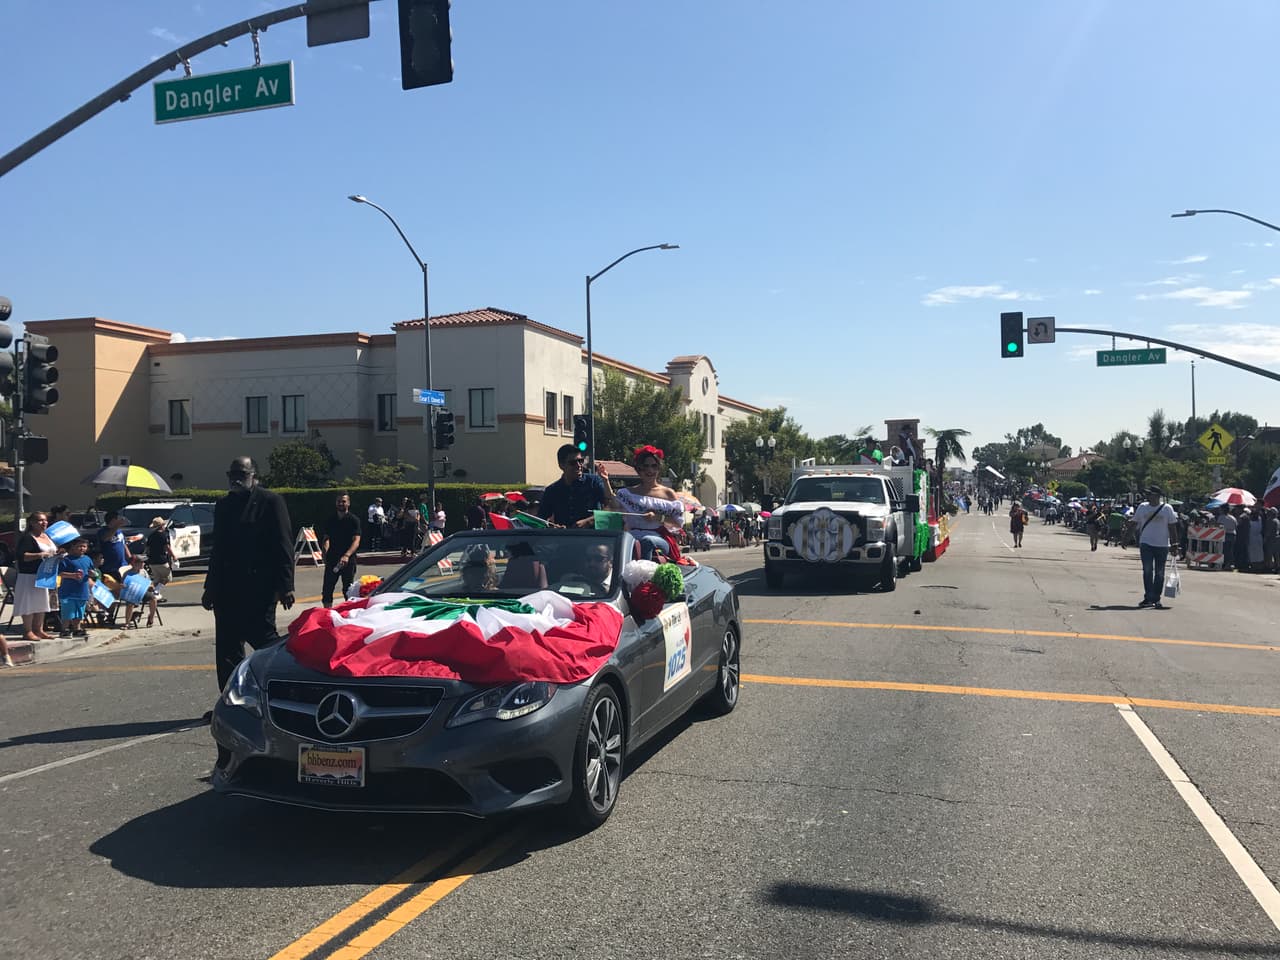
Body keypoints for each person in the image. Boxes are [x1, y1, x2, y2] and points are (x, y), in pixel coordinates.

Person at [202, 456, 295, 699]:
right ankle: (230, 702)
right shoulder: (224, 504)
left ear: (254, 476)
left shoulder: (271, 501)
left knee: (266, 644)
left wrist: (286, 586)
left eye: (242, 474)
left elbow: (284, 545)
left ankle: (280, 693)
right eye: (232, 474)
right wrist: (209, 589)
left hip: (259, 589)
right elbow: (218, 550)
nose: (236, 479)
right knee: (227, 651)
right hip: (226, 591)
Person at [613, 446, 685, 559]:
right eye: (645, 466)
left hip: (658, 538)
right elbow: (612, 509)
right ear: (639, 469)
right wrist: (605, 481)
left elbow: (677, 524)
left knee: (647, 542)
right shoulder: (627, 493)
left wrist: (658, 518)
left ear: (658, 469)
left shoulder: (668, 494)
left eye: (654, 466)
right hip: (631, 537)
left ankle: (645, 574)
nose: (650, 470)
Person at [538, 444, 615, 528]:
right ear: (561, 465)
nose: (578, 465)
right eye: (573, 463)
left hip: (593, 538)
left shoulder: (593, 482)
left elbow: (611, 507)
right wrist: (552, 526)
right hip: (564, 539)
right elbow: (540, 519)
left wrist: (589, 521)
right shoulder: (552, 490)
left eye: (581, 461)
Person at [1134, 484, 1179, 608]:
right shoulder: (1142, 507)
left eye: (1150, 494)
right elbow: (1134, 523)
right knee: (1147, 571)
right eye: (1147, 494)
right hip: (1146, 543)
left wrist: (1175, 544)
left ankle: (1156, 597)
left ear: (1157, 496)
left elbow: (1172, 527)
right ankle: (1148, 597)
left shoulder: (1167, 508)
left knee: (1159, 573)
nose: (1148, 496)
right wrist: (1125, 538)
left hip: (1162, 545)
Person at [15, 512, 59, 641]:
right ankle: (27, 631)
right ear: (32, 523)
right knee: (29, 604)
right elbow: (22, 556)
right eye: (40, 520)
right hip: (29, 575)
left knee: (41, 603)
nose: (44, 523)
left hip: (45, 575)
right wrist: (40, 555)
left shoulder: (47, 536)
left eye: (45, 520)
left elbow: (52, 552)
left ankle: (39, 630)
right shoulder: (28, 538)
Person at [321, 493, 362, 608]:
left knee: (348, 590)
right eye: (339, 501)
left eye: (343, 501)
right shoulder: (330, 519)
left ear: (348, 503)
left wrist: (347, 555)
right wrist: (325, 553)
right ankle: (327, 614)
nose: (341, 503)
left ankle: (349, 613)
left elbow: (356, 540)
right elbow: (326, 538)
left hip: (348, 560)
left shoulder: (354, 520)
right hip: (332, 558)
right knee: (327, 590)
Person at [57, 537, 94, 638]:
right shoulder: (66, 559)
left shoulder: (87, 559)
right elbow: (60, 573)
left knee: (80, 611)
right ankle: (64, 629)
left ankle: (77, 628)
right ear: (73, 547)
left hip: (82, 590)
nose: (82, 548)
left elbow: (92, 571)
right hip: (68, 591)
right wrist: (72, 575)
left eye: (84, 546)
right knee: (68, 611)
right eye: (79, 546)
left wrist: (92, 574)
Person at [121, 553, 160, 628]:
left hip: (143, 592)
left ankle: (151, 617)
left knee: (153, 599)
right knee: (130, 603)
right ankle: (127, 623)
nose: (143, 564)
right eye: (141, 562)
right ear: (135, 563)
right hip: (132, 593)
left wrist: (151, 586)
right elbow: (123, 585)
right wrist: (124, 586)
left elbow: (149, 582)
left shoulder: (143, 572)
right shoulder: (128, 574)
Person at [144, 516, 176, 602]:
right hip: (161, 560)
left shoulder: (151, 536)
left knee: (157, 578)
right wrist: (174, 556)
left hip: (152, 561)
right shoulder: (162, 535)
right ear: (161, 526)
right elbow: (167, 547)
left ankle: (149, 593)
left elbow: (147, 549)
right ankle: (156, 592)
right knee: (167, 577)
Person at [96, 510, 130, 579]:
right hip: (110, 567)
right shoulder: (103, 531)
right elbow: (106, 538)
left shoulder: (119, 531)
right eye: (118, 519)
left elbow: (123, 543)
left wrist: (129, 557)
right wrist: (116, 526)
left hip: (123, 565)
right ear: (113, 520)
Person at [1216, 506, 1237, 571]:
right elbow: (1236, 525)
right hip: (1233, 535)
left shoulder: (1221, 517)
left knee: (1224, 550)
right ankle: (1229, 564)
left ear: (1223, 510)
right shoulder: (1233, 518)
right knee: (1230, 551)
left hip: (1225, 535)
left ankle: (1225, 564)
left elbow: (1218, 525)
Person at [1265, 507, 1280, 573]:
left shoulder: (1272, 521)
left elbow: (1269, 531)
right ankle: (1277, 567)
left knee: (1270, 554)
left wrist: (1265, 538)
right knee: (1276, 555)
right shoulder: (1277, 520)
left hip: (1271, 539)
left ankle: (1270, 567)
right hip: (1277, 539)